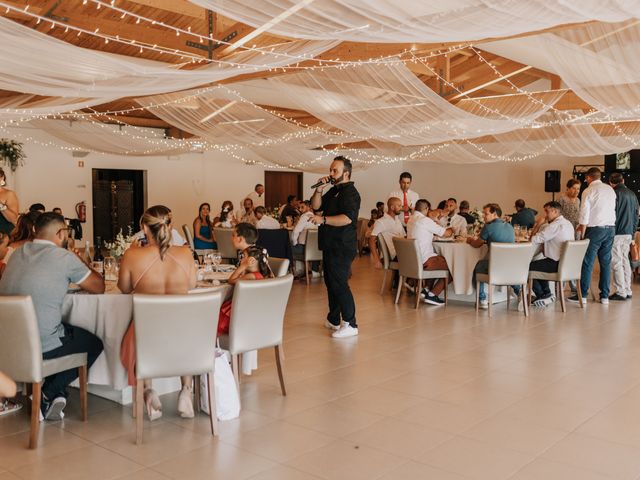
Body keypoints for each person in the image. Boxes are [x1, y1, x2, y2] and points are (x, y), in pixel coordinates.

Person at [0, 212, 104, 421]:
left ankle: (54, 394)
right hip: (41, 346)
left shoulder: (15, 253)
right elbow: (99, 286)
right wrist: (78, 259)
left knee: (62, 326)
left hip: (8, 342)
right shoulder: (63, 257)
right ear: (60, 233)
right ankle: (49, 392)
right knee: (94, 342)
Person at [119, 206, 197, 420]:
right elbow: (191, 284)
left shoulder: (132, 255)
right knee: (183, 322)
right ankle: (186, 390)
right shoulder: (185, 253)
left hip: (148, 336)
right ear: (170, 226)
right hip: (184, 335)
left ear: (144, 228)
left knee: (139, 329)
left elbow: (124, 288)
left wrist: (133, 253)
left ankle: (149, 391)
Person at [311, 156, 361, 338]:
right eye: (331, 170)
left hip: (342, 245)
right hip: (330, 243)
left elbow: (347, 218)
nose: (331, 173)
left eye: (335, 171)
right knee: (330, 283)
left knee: (339, 284)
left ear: (345, 173)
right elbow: (316, 207)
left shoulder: (351, 193)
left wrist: (323, 220)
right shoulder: (334, 191)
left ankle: (351, 323)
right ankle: (333, 319)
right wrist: (319, 190)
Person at [569, 167, 616, 305]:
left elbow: (584, 213)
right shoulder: (610, 189)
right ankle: (605, 297)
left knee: (588, 262)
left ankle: (582, 295)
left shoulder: (588, 190)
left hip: (595, 229)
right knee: (606, 263)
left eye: (586, 178)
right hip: (610, 228)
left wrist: (582, 233)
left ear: (589, 177)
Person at [467, 203, 516, 309]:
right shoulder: (509, 226)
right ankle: (519, 292)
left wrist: (469, 240)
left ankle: (482, 299)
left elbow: (477, 244)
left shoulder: (488, 226)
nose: (484, 216)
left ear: (494, 214)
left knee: (478, 266)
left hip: (495, 266)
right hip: (511, 266)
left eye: (486, 214)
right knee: (504, 270)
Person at [217, 245, 274, 336]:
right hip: (252, 311)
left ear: (251, 261)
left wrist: (242, 266)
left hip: (239, 313)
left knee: (217, 315)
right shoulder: (261, 275)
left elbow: (231, 280)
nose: (241, 260)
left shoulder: (251, 276)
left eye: (243, 257)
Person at [528, 201, 575, 307]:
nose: (545, 215)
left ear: (554, 211)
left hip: (557, 263)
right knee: (538, 264)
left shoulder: (554, 226)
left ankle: (543, 295)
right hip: (567, 264)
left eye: (547, 211)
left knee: (527, 267)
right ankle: (546, 294)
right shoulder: (568, 223)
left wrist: (538, 225)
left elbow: (534, 239)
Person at [407, 199, 453, 305]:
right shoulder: (425, 220)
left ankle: (426, 290)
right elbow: (446, 233)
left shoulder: (411, 219)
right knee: (453, 265)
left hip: (413, 259)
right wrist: (453, 229)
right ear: (427, 209)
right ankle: (433, 295)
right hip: (424, 260)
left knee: (439, 259)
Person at [608, 173, 639, 301]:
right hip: (629, 233)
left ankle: (621, 291)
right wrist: (632, 233)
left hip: (617, 232)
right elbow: (637, 215)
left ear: (611, 183)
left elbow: (612, 214)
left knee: (616, 261)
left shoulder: (614, 194)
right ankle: (628, 290)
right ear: (623, 180)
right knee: (625, 261)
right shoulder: (632, 194)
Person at [369, 197, 404, 269]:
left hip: (402, 251)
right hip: (394, 255)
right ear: (392, 207)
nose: (401, 208)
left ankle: (403, 279)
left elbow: (404, 237)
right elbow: (371, 240)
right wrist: (376, 260)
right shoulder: (381, 222)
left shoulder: (397, 219)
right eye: (399, 206)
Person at [291, 201, 319, 277]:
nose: (300, 209)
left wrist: (294, 243)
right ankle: (314, 270)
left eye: (302, 207)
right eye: (299, 207)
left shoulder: (304, 217)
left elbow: (295, 232)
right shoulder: (317, 218)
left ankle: (295, 272)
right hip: (315, 250)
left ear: (309, 207)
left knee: (286, 248)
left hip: (303, 249)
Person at [0, 167, 19, 235]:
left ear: (2, 177)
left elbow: (13, 219)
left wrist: (1, 206)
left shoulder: (9, 194)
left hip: (4, 232)